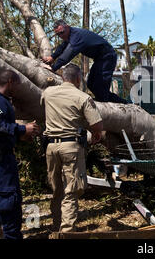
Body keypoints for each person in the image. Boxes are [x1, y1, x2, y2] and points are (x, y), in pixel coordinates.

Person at [40, 64, 103, 232]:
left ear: (63, 77)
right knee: (71, 190)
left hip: (51, 146)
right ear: (78, 79)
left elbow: (43, 106)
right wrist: (96, 134)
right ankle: (67, 232)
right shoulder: (82, 97)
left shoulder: (47, 93)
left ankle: (56, 226)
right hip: (71, 147)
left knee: (56, 189)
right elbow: (97, 125)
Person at [0, 70, 40, 239]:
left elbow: (1, 132)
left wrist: (21, 136)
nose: (19, 89)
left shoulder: (3, 102)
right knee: (9, 204)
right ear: (11, 82)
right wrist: (22, 128)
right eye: (18, 85)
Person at [42, 20, 127, 104]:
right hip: (99, 59)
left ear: (67, 27)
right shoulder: (69, 35)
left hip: (108, 57)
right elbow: (62, 46)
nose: (61, 36)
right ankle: (118, 102)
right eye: (58, 34)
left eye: (62, 32)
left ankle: (114, 104)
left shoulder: (77, 36)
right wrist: (52, 57)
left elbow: (67, 56)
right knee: (91, 83)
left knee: (101, 86)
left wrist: (53, 68)